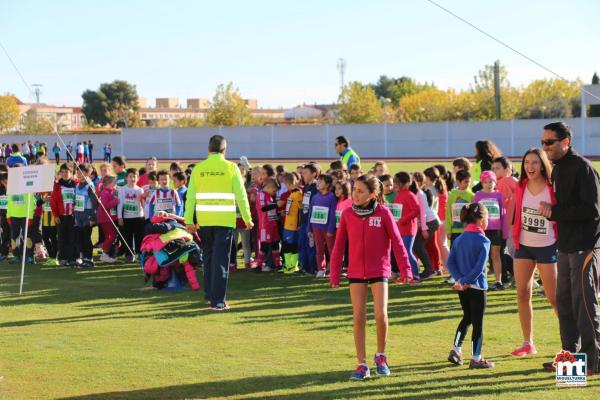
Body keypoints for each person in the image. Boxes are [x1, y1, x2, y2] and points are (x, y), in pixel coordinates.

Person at [329, 174, 411, 381]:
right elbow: (339, 246)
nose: (355, 195)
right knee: (358, 317)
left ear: (372, 194)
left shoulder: (383, 213)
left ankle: (381, 356)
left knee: (380, 315)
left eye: (360, 191)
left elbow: (398, 243)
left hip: (379, 271)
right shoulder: (347, 213)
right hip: (356, 272)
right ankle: (361, 363)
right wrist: (334, 273)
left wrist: (406, 270)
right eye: (354, 190)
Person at [538, 121, 600, 374]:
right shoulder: (558, 168)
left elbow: (593, 210)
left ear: (565, 142)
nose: (545, 147)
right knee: (563, 304)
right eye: (543, 142)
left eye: (549, 142)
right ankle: (570, 362)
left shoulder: (583, 168)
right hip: (565, 247)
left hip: (584, 247)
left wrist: (555, 212)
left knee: (583, 306)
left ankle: (594, 363)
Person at [185, 135, 253, 311]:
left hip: (204, 221)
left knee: (208, 258)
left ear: (208, 150)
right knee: (220, 261)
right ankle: (218, 302)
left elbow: (190, 197)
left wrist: (188, 220)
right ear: (225, 150)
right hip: (224, 221)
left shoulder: (199, 169)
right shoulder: (231, 168)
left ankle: (210, 296)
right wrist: (247, 217)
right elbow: (241, 195)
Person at [510, 148, 558, 357]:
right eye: (527, 162)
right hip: (524, 246)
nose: (530, 167)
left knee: (554, 297)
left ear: (543, 165)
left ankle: (572, 340)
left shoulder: (552, 187)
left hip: (548, 246)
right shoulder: (520, 186)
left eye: (535, 163)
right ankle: (528, 342)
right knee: (522, 293)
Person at [446, 202, 494, 369]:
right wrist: (466, 280)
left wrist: (460, 280)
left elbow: (450, 262)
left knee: (467, 318)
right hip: (477, 287)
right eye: (487, 218)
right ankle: (476, 358)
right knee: (478, 323)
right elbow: (479, 268)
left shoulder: (459, 239)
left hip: (462, 288)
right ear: (481, 221)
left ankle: (456, 350)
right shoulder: (484, 241)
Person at [473, 171, 509, 290]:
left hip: (495, 230)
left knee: (495, 255)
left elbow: (503, 214)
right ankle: (482, 280)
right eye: (485, 182)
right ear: (482, 183)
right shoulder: (477, 195)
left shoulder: (498, 195)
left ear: (495, 182)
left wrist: (505, 231)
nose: (488, 184)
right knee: (482, 256)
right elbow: (474, 215)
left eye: (491, 182)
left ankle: (498, 281)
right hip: (482, 230)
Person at [309, 174, 337, 278]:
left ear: (327, 184)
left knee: (332, 249)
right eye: (318, 181)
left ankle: (334, 269)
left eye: (321, 181)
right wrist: (309, 228)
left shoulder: (331, 197)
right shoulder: (315, 197)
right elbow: (311, 213)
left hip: (328, 229)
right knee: (319, 249)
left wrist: (330, 229)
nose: (318, 183)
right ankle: (321, 269)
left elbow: (333, 214)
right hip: (316, 228)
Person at [50, 162, 77, 266]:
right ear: (60, 173)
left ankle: (72, 258)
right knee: (61, 238)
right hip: (61, 217)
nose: (65, 174)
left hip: (73, 217)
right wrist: (56, 215)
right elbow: (53, 202)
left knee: (72, 238)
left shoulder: (76, 184)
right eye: (63, 172)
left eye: (68, 172)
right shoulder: (57, 186)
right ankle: (62, 258)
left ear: (72, 172)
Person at [74, 164, 98, 268]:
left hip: (87, 213)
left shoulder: (90, 185)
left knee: (86, 237)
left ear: (87, 173)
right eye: (77, 171)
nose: (78, 174)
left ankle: (89, 259)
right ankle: (83, 258)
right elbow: (76, 201)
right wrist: (75, 216)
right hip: (78, 214)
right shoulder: (77, 185)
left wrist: (92, 218)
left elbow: (94, 203)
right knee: (80, 237)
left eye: (81, 171)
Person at [97, 175, 120, 263]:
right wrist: (116, 201)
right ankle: (104, 254)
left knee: (110, 236)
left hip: (110, 218)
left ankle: (106, 254)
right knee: (111, 236)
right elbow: (105, 205)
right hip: (105, 219)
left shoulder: (110, 191)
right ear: (109, 183)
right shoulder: (105, 192)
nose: (115, 184)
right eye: (114, 183)